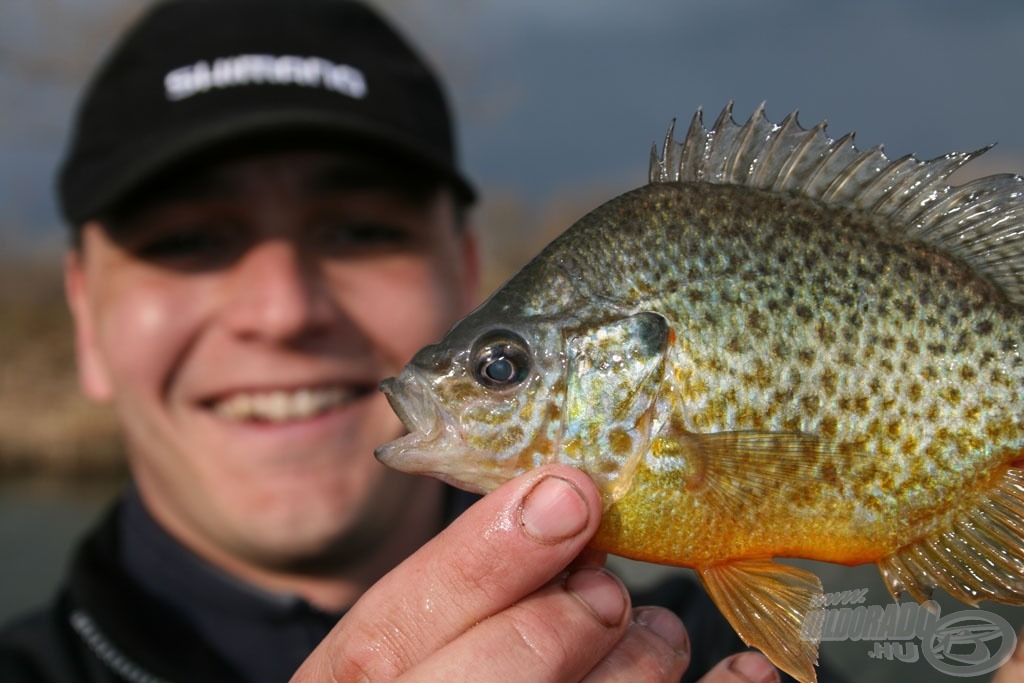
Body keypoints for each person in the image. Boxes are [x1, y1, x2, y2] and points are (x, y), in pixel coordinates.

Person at [0, 1, 833, 681]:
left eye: (360, 229)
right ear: (83, 314)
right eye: (186, 241)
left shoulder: (721, 658)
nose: (284, 308)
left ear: (466, 275)